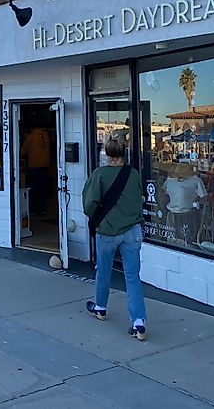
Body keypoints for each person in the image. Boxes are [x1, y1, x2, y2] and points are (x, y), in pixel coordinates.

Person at [82, 138, 148, 341]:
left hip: (109, 231)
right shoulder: (133, 174)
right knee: (132, 276)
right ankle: (138, 322)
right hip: (133, 231)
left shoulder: (99, 174)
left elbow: (88, 205)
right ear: (124, 152)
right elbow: (140, 198)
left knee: (104, 269)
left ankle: (100, 307)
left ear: (107, 153)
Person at [20, 126, 52, 215]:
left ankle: (32, 209)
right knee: (43, 189)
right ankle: (42, 209)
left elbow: (22, 151)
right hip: (45, 165)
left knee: (33, 189)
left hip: (34, 166)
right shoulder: (46, 136)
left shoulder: (31, 137)